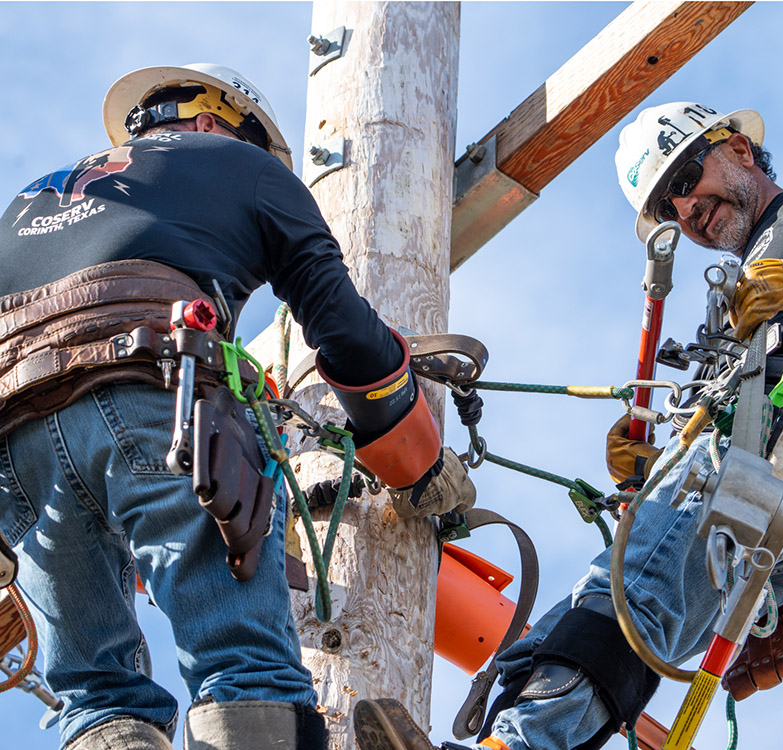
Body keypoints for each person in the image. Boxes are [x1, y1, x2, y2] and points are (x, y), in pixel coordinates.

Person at [352, 101, 783, 750]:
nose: (685, 213)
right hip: (779, 494)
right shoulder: (743, 306)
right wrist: (645, 473)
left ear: (736, 148)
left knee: (620, 602)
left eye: (682, 181)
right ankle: (502, 741)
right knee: (572, 625)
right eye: (666, 211)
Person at [0, 63, 474, 750]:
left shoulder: (24, 204)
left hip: (12, 447)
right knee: (243, 668)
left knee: (97, 698)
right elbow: (344, 332)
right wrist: (420, 464)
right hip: (151, 398)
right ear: (209, 121)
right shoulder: (239, 165)